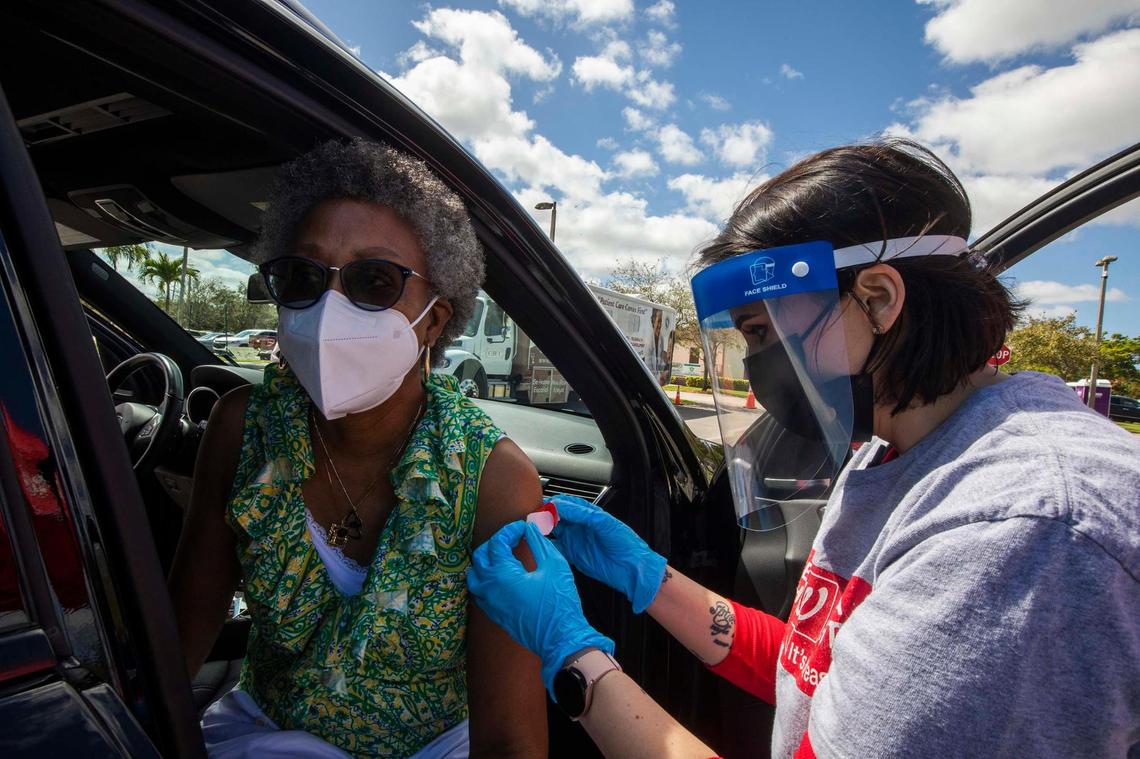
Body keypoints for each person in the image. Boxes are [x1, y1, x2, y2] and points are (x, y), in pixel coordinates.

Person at [467, 140, 1140, 758]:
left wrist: (571, 654)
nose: (757, 363)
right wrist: (651, 578)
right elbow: (814, 668)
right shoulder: (890, 449)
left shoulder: (1020, 536)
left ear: (877, 298)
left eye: (761, 332)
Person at [168, 138, 547, 758]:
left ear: (434, 319)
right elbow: (182, 634)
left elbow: (510, 737)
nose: (328, 308)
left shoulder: (493, 479)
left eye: (374, 281)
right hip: (263, 738)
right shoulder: (244, 429)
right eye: (303, 276)